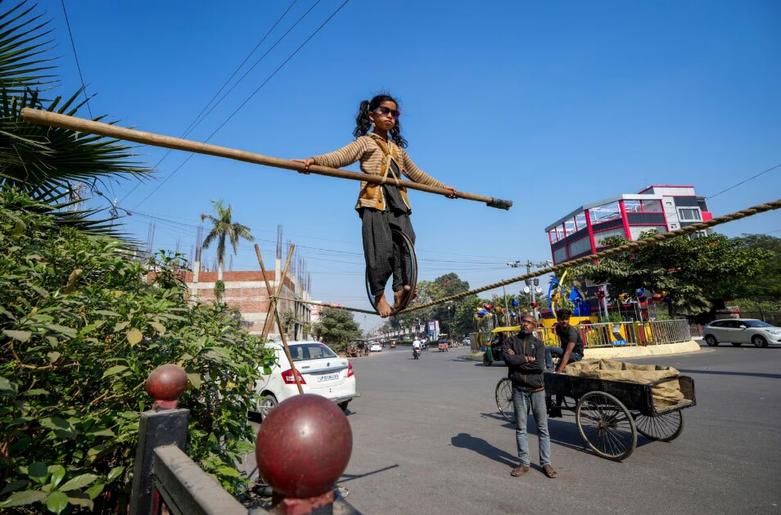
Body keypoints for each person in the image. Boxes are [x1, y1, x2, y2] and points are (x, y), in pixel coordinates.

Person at [294, 94, 456, 317]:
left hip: (398, 201)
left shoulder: (397, 150)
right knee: (380, 251)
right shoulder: (365, 142)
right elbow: (340, 157)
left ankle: (400, 288)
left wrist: (442, 188)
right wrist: (313, 161)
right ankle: (379, 296)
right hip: (374, 201)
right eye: (385, 111)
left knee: (407, 244)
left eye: (394, 113)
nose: (390, 116)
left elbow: (417, 174)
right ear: (372, 116)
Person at [503, 315, 557, 479]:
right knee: (521, 428)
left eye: (528, 322)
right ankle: (524, 463)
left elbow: (538, 366)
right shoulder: (511, 341)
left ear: (534, 326)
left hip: (537, 390)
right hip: (519, 390)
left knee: (542, 428)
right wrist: (526, 358)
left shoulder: (539, 344)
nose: (524, 324)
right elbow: (507, 359)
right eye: (523, 322)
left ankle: (546, 463)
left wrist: (517, 360)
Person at [545, 308, 584, 372]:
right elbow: (563, 344)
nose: (564, 321)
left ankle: (550, 370)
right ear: (558, 319)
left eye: (566, 319)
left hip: (576, 355)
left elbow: (568, 352)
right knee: (544, 350)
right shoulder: (558, 328)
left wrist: (559, 371)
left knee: (547, 349)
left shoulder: (572, 332)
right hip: (566, 351)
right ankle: (549, 368)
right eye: (562, 319)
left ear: (569, 319)